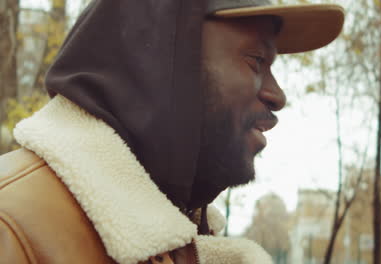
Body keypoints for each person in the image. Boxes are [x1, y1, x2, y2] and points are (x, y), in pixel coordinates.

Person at [0, 0, 344, 263]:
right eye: (256, 61)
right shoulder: (11, 227)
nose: (277, 95)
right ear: (157, 63)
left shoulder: (176, 239)